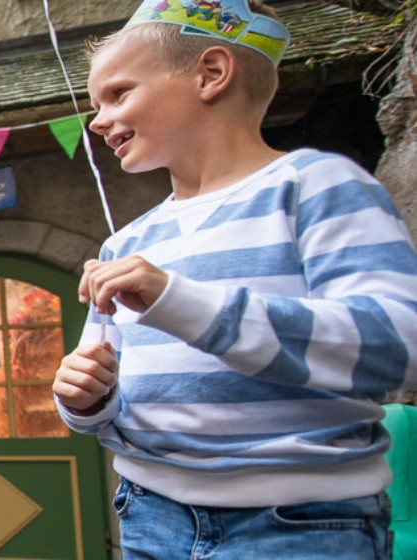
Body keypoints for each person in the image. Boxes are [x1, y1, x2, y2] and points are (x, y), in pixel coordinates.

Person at [55, 1, 417, 556]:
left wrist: (181, 300)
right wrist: (84, 399)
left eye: (118, 93)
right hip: (148, 514)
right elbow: (111, 387)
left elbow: (398, 342)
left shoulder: (316, 185)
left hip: (298, 527)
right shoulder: (126, 243)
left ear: (211, 74)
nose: (98, 120)